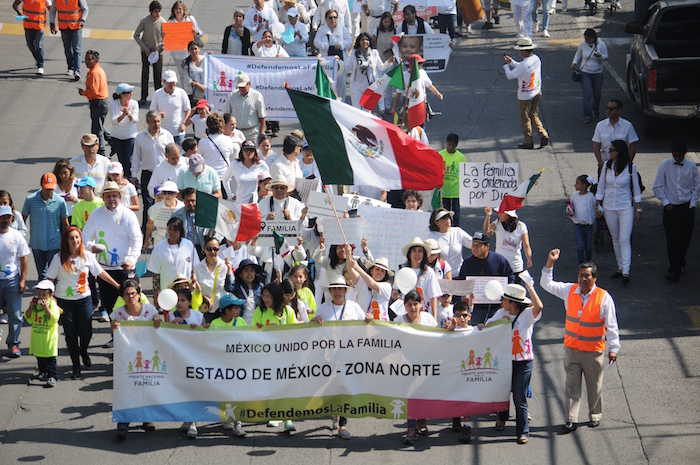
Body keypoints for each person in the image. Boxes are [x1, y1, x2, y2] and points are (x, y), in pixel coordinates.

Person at [540, 248, 620, 431]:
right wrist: (550, 262)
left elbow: (611, 325)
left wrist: (614, 348)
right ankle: (571, 419)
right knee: (571, 385)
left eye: (587, 276)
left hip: (593, 351)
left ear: (595, 278)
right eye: (580, 275)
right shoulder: (570, 290)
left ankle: (594, 415)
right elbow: (547, 284)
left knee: (594, 386)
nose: (583, 279)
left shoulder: (604, 298)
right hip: (572, 350)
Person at [46, 226, 119, 378]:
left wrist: (117, 285)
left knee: (86, 333)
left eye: (77, 237)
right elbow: (50, 280)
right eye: (71, 238)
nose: (75, 241)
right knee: (71, 335)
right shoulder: (58, 258)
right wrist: (48, 296)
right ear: (66, 241)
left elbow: (100, 272)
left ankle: (83, 351)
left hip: (84, 300)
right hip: (64, 302)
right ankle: (76, 366)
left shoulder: (87, 256)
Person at [482, 283, 543, 444]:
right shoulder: (502, 313)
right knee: (502, 393)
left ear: (513, 303)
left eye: (505, 300)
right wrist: (496, 323)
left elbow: (540, 306)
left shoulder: (528, 314)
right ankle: (502, 417)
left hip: (523, 363)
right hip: (505, 361)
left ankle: (523, 432)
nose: (502, 302)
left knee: (519, 397)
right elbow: (488, 326)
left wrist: (530, 288)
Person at [312, 275, 372, 439]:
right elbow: (312, 329)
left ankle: (342, 424)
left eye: (340, 288)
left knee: (345, 388)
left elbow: (367, 326)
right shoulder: (324, 308)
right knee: (332, 387)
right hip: (329, 356)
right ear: (330, 291)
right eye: (334, 288)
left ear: (345, 291)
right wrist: (314, 320)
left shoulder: (354, 308)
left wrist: (368, 320)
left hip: (349, 356)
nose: (337, 291)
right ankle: (335, 411)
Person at [82, 182, 143, 317]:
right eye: (108, 196)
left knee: (130, 306)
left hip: (124, 268)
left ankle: (129, 337)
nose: (111, 199)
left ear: (120, 197)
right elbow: (85, 236)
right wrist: (92, 247)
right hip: (105, 270)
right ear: (103, 198)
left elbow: (137, 239)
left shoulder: (128, 215)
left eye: (114, 196)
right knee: (110, 308)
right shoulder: (96, 214)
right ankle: (115, 337)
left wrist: (131, 260)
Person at [111, 279, 161, 440]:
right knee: (127, 387)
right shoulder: (118, 313)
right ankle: (123, 424)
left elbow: (159, 323)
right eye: (127, 294)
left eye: (133, 293)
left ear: (139, 294)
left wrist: (158, 320)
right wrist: (114, 328)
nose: (130, 297)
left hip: (147, 355)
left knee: (146, 384)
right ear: (123, 297)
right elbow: (113, 332)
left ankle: (147, 418)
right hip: (126, 357)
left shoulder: (149, 310)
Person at [594, 140, 642, 283]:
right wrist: (597, 204)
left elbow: (637, 190)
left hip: (625, 206)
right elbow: (601, 186)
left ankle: (626, 271)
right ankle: (620, 267)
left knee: (624, 238)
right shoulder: (607, 167)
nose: (609, 153)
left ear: (619, 152)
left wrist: (639, 209)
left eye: (611, 150)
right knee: (615, 237)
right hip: (609, 207)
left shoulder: (631, 168)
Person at [652, 140, 700, 282]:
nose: (677, 158)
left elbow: (697, 186)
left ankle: (680, 261)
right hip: (671, 208)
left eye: (679, 156)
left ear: (684, 155)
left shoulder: (691, 166)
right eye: (674, 156)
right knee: (672, 239)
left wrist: (692, 204)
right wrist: (666, 203)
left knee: (685, 239)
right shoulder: (665, 165)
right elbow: (657, 186)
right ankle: (674, 269)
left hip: (687, 207)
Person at [400, 290, 437, 445]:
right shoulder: (399, 320)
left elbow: (439, 337)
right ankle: (411, 427)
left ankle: (422, 420)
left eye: (416, 304)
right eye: (409, 304)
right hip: (407, 366)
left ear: (421, 305)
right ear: (405, 306)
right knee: (410, 396)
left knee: (424, 394)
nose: (413, 307)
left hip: (426, 364)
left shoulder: (428, 318)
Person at [457, 231, 515, 324]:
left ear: (487, 246)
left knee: (495, 332)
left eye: (478, 245)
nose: (475, 248)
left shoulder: (499, 260)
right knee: (477, 332)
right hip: (476, 308)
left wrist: (506, 295)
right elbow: (461, 281)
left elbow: (510, 277)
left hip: (496, 307)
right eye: (473, 245)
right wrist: (464, 295)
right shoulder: (467, 263)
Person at [132, 110, 175, 230]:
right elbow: (136, 157)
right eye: (153, 122)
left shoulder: (167, 135)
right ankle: (147, 232)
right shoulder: (140, 137)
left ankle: (165, 228)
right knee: (148, 204)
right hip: (147, 174)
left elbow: (173, 154)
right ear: (147, 122)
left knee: (166, 203)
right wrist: (134, 175)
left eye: (158, 121)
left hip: (165, 175)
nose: (156, 124)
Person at [504, 38, 549, 150]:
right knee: (533, 115)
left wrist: (506, 65)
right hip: (536, 91)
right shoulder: (536, 59)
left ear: (524, 50)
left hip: (525, 96)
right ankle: (543, 134)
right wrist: (512, 62)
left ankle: (528, 141)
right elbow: (522, 68)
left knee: (525, 119)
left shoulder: (524, 65)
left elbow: (510, 75)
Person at [22, 173, 69, 280]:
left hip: (55, 244)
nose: (49, 191)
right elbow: (22, 219)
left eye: (52, 188)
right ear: (41, 185)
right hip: (37, 244)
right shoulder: (30, 200)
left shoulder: (60, 202)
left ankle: (52, 296)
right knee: (41, 274)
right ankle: (43, 296)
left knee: (53, 274)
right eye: (47, 188)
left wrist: (67, 243)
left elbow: (65, 223)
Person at [0, 205, 30, 358]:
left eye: (8, 217)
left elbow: (23, 258)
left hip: (12, 280)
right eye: (2, 217)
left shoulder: (16, 236)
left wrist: (23, 280)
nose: (5, 220)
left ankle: (13, 344)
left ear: (11, 218)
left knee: (16, 315)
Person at [148, 216, 197, 306]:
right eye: (169, 229)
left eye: (175, 230)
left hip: (186, 295)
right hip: (167, 294)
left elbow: (195, 268)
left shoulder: (188, 245)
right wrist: (156, 296)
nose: (172, 232)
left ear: (180, 231)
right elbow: (156, 275)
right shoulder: (160, 247)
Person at [447, 299, 475, 441]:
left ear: (469, 316)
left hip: (468, 370)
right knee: (455, 395)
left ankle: (467, 425)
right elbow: (449, 332)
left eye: (464, 315)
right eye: (458, 315)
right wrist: (452, 326)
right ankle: (456, 418)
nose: (461, 318)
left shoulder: (474, 331)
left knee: (467, 397)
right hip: (454, 369)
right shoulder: (452, 330)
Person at [24, 280, 60, 387]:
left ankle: (52, 376)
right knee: (40, 357)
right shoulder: (36, 305)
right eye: (39, 294)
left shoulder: (52, 305)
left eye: (44, 294)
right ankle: (42, 372)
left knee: (50, 358)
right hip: (38, 335)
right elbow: (29, 317)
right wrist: (30, 307)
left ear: (50, 295)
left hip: (48, 337)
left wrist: (46, 308)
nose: (40, 297)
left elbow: (53, 319)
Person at [484, 207, 533, 282]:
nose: (499, 214)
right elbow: (486, 231)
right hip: (500, 265)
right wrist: (488, 215)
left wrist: (529, 259)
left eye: (501, 212)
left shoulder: (521, 226)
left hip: (515, 266)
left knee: (514, 292)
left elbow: (526, 246)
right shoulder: (497, 223)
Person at [314, 9, 352, 101]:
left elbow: (349, 41)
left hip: (341, 61)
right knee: (329, 84)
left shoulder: (343, 28)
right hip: (327, 61)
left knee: (341, 85)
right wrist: (328, 47)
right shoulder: (321, 29)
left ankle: (342, 104)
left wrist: (342, 44)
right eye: (330, 18)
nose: (333, 20)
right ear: (326, 19)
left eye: (335, 17)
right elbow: (316, 42)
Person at [571, 29, 607, 124]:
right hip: (585, 72)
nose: (587, 41)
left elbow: (606, 56)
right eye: (585, 39)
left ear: (593, 38)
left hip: (597, 72)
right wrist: (574, 63)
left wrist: (601, 57)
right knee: (588, 93)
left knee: (597, 93)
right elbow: (578, 54)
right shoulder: (582, 45)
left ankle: (595, 109)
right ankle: (587, 115)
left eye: (589, 39)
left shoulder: (601, 44)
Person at [349, 32, 393, 110]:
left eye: (367, 40)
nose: (364, 42)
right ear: (359, 41)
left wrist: (389, 62)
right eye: (362, 40)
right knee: (357, 110)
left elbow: (382, 67)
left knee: (367, 111)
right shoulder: (354, 53)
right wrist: (338, 62)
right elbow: (347, 66)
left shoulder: (374, 53)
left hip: (369, 86)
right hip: (356, 86)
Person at [78, 50, 110, 156]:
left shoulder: (95, 73)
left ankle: (101, 153)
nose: (86, 61)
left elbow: (94, 92)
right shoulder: (94, 71)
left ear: (96, 60)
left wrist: (83, 93)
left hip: (98, 103)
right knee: (99, 126)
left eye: (89, 59)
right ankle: (112, 141)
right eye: (85, 59)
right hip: (100, 102)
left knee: (97, 130)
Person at [400, 237, 441, 319]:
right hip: (404, 314)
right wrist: (397, 296)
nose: (417, 254)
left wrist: (434, 317)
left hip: (423, 314)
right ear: (409, 253)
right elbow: (395, 290)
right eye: (414, 251)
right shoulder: (402, 270)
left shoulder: (429, 272)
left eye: (420, 251)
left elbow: (433, 297)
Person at [133, 1, 165, 105]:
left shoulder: (163, 22)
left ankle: (158, 98)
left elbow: (168, 39)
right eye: (156, 12)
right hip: (145, 51)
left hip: (158, 52)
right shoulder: (144, 21)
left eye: (160, 11)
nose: (158, 14)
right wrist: (145, 47)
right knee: (145, 73)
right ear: (151, 11)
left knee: (158, 75)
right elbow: (136, 35)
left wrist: (159, 48)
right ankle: (143, 97)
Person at [150, 70, 192, 147]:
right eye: (169, 82)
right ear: (164, 81)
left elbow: (188, 110)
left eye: (173, 82)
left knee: (179, 156)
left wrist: (184, 123)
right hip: (162, 132)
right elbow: (152, 111)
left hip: (178, 132)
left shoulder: (181, 93)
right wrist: (158, 114)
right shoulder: (157, 94)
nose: (172, 84)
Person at [192, 236, 230, 322]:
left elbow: (230, 287)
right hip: (203, 310)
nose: (212, 252)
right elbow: (193, 291)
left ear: (219, 250)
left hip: (221, 311)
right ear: (204, 249)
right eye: (209, 249)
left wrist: (229, 271)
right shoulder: (197, 268)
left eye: (215, 249)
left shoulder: (225, 267)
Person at [592, 99, 639, 168]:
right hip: (605, 163)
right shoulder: (600, 125)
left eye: (611, 109)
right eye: (607, 108)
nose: (608, 111)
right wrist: (600, 163)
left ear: (619, 111)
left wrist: (629, 162)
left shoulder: (627, 125)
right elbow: (596, 146)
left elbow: (633, 146)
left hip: (622, 164)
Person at [49, 0, 88, 80]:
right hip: (64, 27)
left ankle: (77, 71)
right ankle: (70, 67)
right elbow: (52, 11)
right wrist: (52, 23)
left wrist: (82, 20)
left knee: (76, 49)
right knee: (67, 49)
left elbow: (85, 9)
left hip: (76, 27)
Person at [167, 1, 203, 86]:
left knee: (192, 73)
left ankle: (193, 92)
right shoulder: (170, 21)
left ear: (184, 10)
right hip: (177, 53)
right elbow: (166, 38)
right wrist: (164, 35)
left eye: (180, 9)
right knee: (182, 75)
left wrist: (197, 32)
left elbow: (201, 33)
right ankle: (185, 93)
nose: (178, 11)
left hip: (189, 53)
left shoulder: (190, 19)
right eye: (176, 9)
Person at [347, 254, 392, 321]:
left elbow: (373, 285)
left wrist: (358, 268)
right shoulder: (363, 282)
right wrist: (348, 253)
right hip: (362, 324)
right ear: (371, 271)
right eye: (377, 269)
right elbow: (350, 270)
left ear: (385, 274)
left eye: (383, 271)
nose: (379, 272)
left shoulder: (387, 286)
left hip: (380, 326)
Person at [224, 73, 266, 143]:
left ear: (249, 84)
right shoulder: (232, 96)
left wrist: (262, 133)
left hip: (252, 133)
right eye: (240, 86)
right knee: (235, 153)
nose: (241, 88)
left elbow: (262, 117)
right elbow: (226, 115)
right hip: (235, 132)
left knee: (253, 153)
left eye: (243, 86)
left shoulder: (257, 96)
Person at [427, 208, 472, 272]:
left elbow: (473, 244)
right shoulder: (430, 236)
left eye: (448, 216)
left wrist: (485, 234)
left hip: (458, 274)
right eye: (443, 217)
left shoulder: (458, 231)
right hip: (440, 275)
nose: (447, 219)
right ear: (436, 222)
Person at [13, 0, 51, 75]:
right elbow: (15, 5)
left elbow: (51, 9)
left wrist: (53, 23)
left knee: (39, 45)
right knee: (30, 45)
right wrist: (18, 11)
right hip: (28, 25)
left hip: (40, 26)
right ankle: (38, 58)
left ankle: (41, 65)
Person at [109, 83, 139, 177]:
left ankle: (130, 178)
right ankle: (123, 177)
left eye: (131, 92)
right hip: (117, 136)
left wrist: (129, 113)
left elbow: (135, 120)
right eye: (129, 92)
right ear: (122, 95)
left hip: (130, 135)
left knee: (129, 159)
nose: (131, 94)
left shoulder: (134, 103)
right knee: (121, 160)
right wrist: (123, 115)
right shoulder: (113, 104)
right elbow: (114, 121)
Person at [199, 113, 235, 188]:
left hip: (208, 178)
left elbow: (199, 158)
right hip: (224, 178)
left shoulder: (203, 142)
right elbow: (230, 154)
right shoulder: (228, 140)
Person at [145, 181, 184, 248]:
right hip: (160, 241)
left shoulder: (182, 207)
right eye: (164, 193)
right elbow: (149, 224)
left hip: (177, 241)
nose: (167, 195)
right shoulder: (155, 207)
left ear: (176, 194)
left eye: (170, 193)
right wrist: (146, 241)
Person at [568, 175, 597, 265]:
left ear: (584, 185)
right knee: (580, 246)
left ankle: (588, 260)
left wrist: (599, 211)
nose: (575, 185)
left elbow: (596, 206)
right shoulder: (574, 196)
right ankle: (581, 265)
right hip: (578, 224)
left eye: (577, 183)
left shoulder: (591, 196)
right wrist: (569, 211)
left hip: (588, 225)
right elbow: (570, 206)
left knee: (588, 246)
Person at [438, 133, 465, 227]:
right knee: (444, 210)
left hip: (456, 190)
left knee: (456, 209)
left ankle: (456, 227)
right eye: (449, 144)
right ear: (446, 143)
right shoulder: (440, 155)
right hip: (444, 189)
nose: (450, 147)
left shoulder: (461, 157)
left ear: (456, 145)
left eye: (453, 145)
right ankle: (446, 226)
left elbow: (464, 173)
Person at [230, 258, 265, 326]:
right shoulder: (238, 287)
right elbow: (228, 287)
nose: (249, 273)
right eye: (246, 271)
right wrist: (228, 271)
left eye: (252, 270)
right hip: (242, 323)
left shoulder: (260, 287)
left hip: (257, 323)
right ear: (240, 274)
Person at [181, 41, 206, 108]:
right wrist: (197, 84)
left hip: (205, 91)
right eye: (191, 49)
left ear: (199, 49)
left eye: (195, 48)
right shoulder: (186, 63)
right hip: (192, 93)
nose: (194, 51)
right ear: (188, 50)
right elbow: (187, 79)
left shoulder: (205, 59)